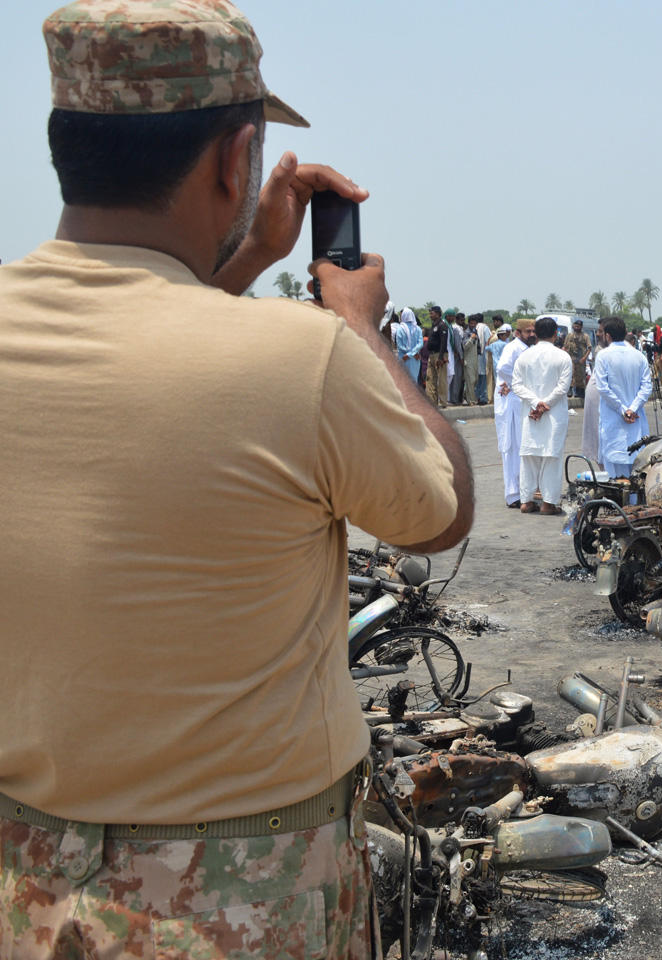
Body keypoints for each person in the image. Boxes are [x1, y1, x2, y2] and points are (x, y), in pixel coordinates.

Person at [0, 3, 475, 956]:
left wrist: (248, 253)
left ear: (66, 142)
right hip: (242, 894)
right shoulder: (300, 361)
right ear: (236, 156)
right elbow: (441, 511)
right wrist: (358, 325)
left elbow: (134, 355)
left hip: (26, 872)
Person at [512, 316, 573, 514]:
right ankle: (548, 503)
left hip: (530, 413)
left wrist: (535, 402)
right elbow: (563, 388)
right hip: (552, 414)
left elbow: (517, 386)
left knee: (529, 456)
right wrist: (544, 403)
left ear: (535, 334)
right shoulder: (563, 357)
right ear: (556, 334)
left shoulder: (524, 356)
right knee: (551, 457)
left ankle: (526, 501)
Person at [594, 316, 653, 477]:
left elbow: (603, 388)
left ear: (608, 336)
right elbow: (647, 387)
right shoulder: (638, 356)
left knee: (615, 478)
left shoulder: (603, 356)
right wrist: (632, 409)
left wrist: (622, 410)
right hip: (636, 420)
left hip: (614, 422)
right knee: (637, 474)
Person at [495, 319, 536, 506]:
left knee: (522, 448)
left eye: (533, 331)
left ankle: (523, 492)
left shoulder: (527, 349)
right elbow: (502, 368)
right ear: (518, 333)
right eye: (528, 332)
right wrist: (516, 384)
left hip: (519, 403)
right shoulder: (513, 348)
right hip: (510, 405)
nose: (532, 334)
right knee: (511, 448)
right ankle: (513, 495)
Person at [424, 304, 449, 405]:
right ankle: (432, 401)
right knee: (430, 378)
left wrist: (440, 357)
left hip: (440, 355)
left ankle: (443, 402)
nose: (430, 315)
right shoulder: (433, 325)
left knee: (441, 379)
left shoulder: (442, 325)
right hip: (432, 355)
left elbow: (444, 342)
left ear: (438, 314)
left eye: (432, 313)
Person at [564, 318, 591, 399]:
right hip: (571, 358)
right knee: (571, 374)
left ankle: (580, 392)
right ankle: (570, 390)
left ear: (581, 327)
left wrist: (584, 358)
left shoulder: (585, 336)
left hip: (581, 359)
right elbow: (565, 346)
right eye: (575, 326)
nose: (576, 327)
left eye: (578, 326)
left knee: (580, 375)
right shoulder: (569, 336)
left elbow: (589, 348)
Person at [484, 323, 511, 404]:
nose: (506, 337)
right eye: (505, 335)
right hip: (503, 366)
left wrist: (489, 340)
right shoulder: (506, 345)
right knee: (503, 383)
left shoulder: (493, 345)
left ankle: (497, 398)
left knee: (497, 382)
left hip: (495, 366)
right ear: (502, 336)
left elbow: (486, 348)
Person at [460, 318, 479, 405]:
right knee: (471, 380)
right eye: (471, 323)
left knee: (475, 380)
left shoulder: (475, 332)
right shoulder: (466, 333)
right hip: (468, 359)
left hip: (475, 359)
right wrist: (471, 339)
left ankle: (466, 395)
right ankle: (471, 400)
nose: (473, 325)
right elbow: (464, 347)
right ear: (469, 323)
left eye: (474, 323)